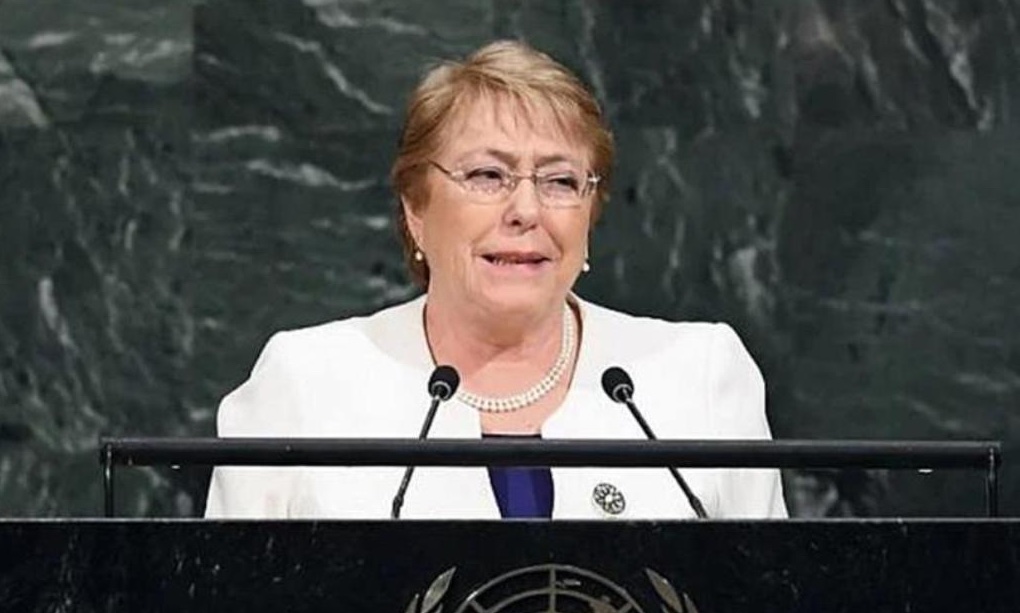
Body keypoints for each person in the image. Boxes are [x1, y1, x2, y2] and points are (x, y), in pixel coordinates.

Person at [204, 40, 786, 520]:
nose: (526, 210)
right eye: (487, 175)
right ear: (415, 208)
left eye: (560, 181)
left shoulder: (699, 375)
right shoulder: (305, 383)